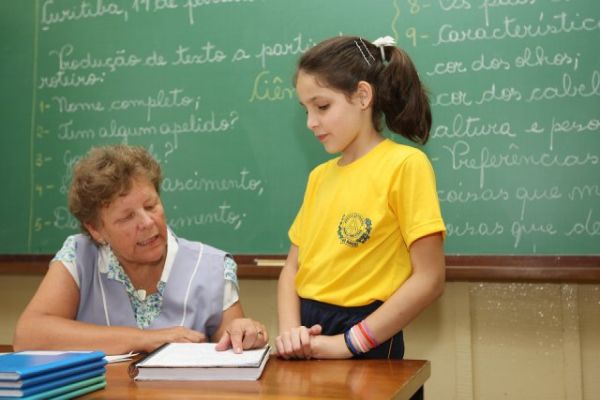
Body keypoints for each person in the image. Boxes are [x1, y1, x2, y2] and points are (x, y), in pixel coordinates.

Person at [276, 35, 446, 360]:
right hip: (309, 334)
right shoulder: (319, 177)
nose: (311, 122)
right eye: (306, 110)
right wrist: (290, 332)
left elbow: (429, 278)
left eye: (322, 106)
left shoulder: (405, 166)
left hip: (368, 335)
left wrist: (348, 343)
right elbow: (292, 269)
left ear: (363, 96)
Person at [14, 144, 268, 355]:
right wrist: (143, 339)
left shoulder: (212, 266)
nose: (147, 223)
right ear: (96, 230)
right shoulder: (79, 256)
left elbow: (235, 344)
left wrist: (243, 332)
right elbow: (29, 334)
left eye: (151, 205)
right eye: (126, 218)